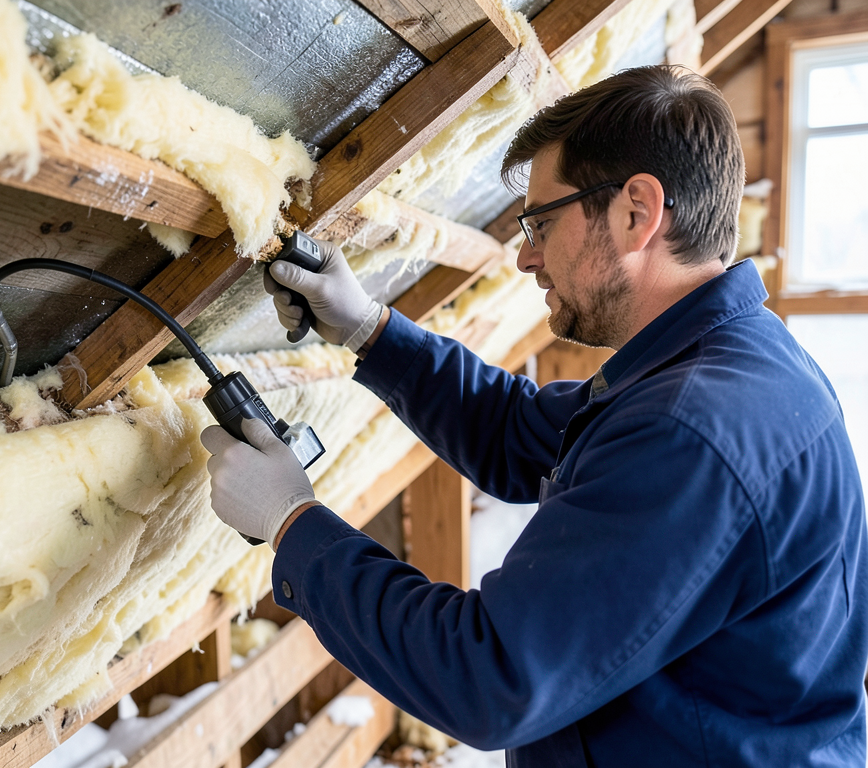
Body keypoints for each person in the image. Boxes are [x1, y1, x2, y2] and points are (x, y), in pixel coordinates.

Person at [199, 65, 867, 766]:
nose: (525, 256)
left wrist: (292, 525)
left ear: (637, 213)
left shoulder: (692, 429)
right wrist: (369, 328)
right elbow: (523, 436)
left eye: (541, 222)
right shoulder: (715, 364)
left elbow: (490, 678)